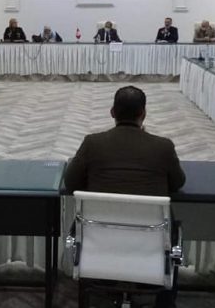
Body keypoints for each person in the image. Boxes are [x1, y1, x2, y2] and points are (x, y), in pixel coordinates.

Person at [65, 85, 184, 308]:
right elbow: (178, 183)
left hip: (100, 242)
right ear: (143, 114)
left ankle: (103, 281)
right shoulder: (163, 147)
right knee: (174, 230)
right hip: (150, 247)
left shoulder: (92, 143)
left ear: (112, 112)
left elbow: (70, 183)